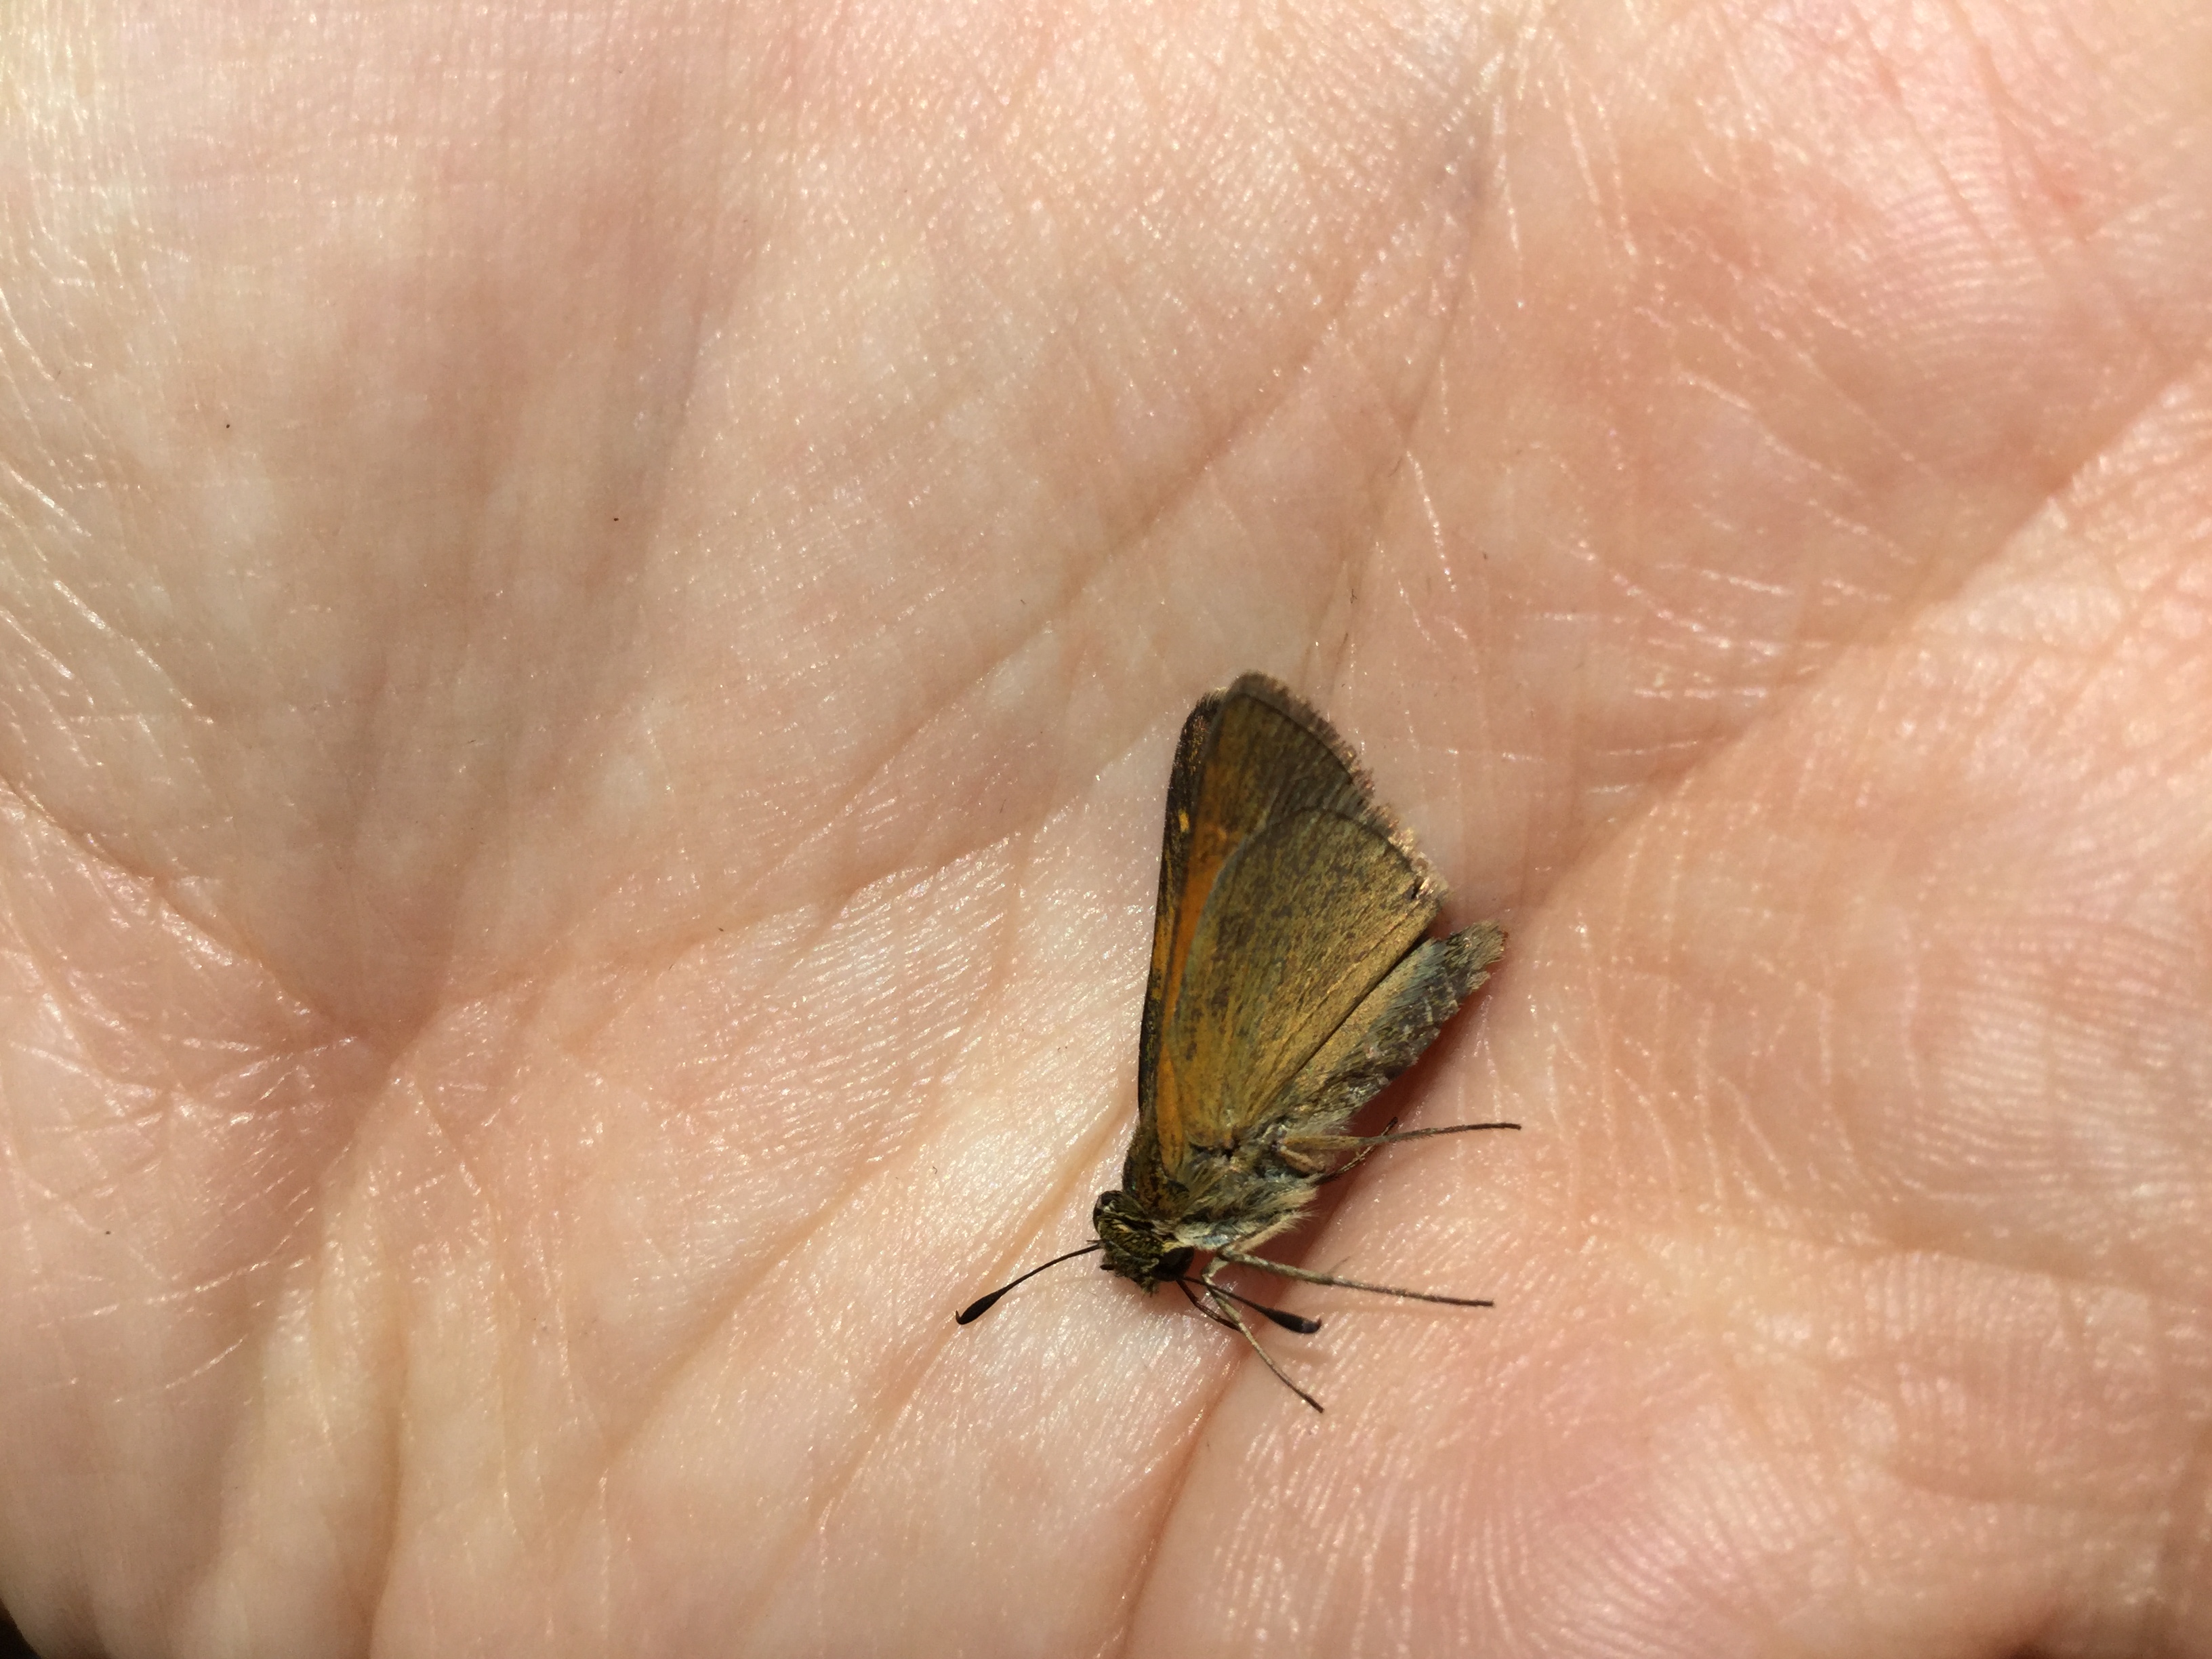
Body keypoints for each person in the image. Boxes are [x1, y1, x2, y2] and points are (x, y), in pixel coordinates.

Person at [3, 1, 2208, 1652]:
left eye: (1162, 1263)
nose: (1162, 1273)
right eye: (1165, 1268)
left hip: (1355, 978)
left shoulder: (1191, 1163)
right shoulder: (1193, 1225)